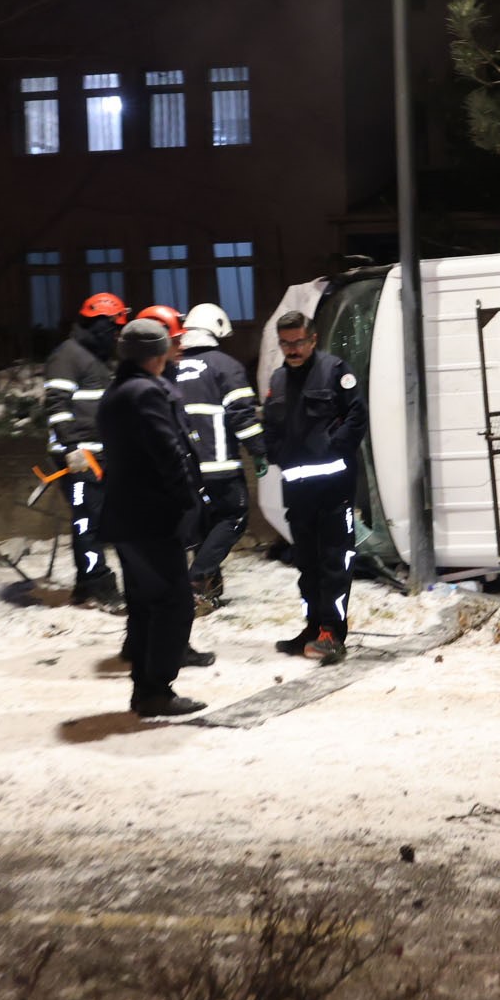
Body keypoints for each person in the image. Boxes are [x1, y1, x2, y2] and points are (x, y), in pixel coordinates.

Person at [96, 318, 210, 717]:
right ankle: (156, 690)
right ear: (157, 354)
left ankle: (145, 690)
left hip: (127, 517)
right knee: (174, 603)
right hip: (151, 517)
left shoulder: (116, 391)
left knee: (146, 604)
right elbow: (168, 452)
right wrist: (187, 501)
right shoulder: (146, 393)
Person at [262, 309, 368, 663]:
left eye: (298, 342)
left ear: (312, 339)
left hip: (333, 489)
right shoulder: (278, 380)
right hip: (298, 490)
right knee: (306, 564)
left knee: (334, 562)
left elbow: (357, 416)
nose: (292, 349)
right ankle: (312, 627)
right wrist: (276, 452)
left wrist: (334, 445)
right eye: (285, 343)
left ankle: (332, 633)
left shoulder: (335, 371)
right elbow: (271, 427)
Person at [171, 301, 265, 606]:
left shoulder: (172, 368)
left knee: (204, 526)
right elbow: (242, 415)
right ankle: (197, 579)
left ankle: (208, 588)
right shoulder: (225, 366)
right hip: (219, 465)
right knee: (234, 518)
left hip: (184, 469)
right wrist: (259, 451)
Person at [43, 292, 129, 611]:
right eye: (115, 328)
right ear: (101, 324)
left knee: (90, 520)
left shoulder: (94, 355)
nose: (117, 336)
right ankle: (100, 586)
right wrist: (71, 448)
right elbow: (56, 405)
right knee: (89, 523)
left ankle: (85, 585)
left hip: (97, 454)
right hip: (78, 457)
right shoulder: (68, 356)